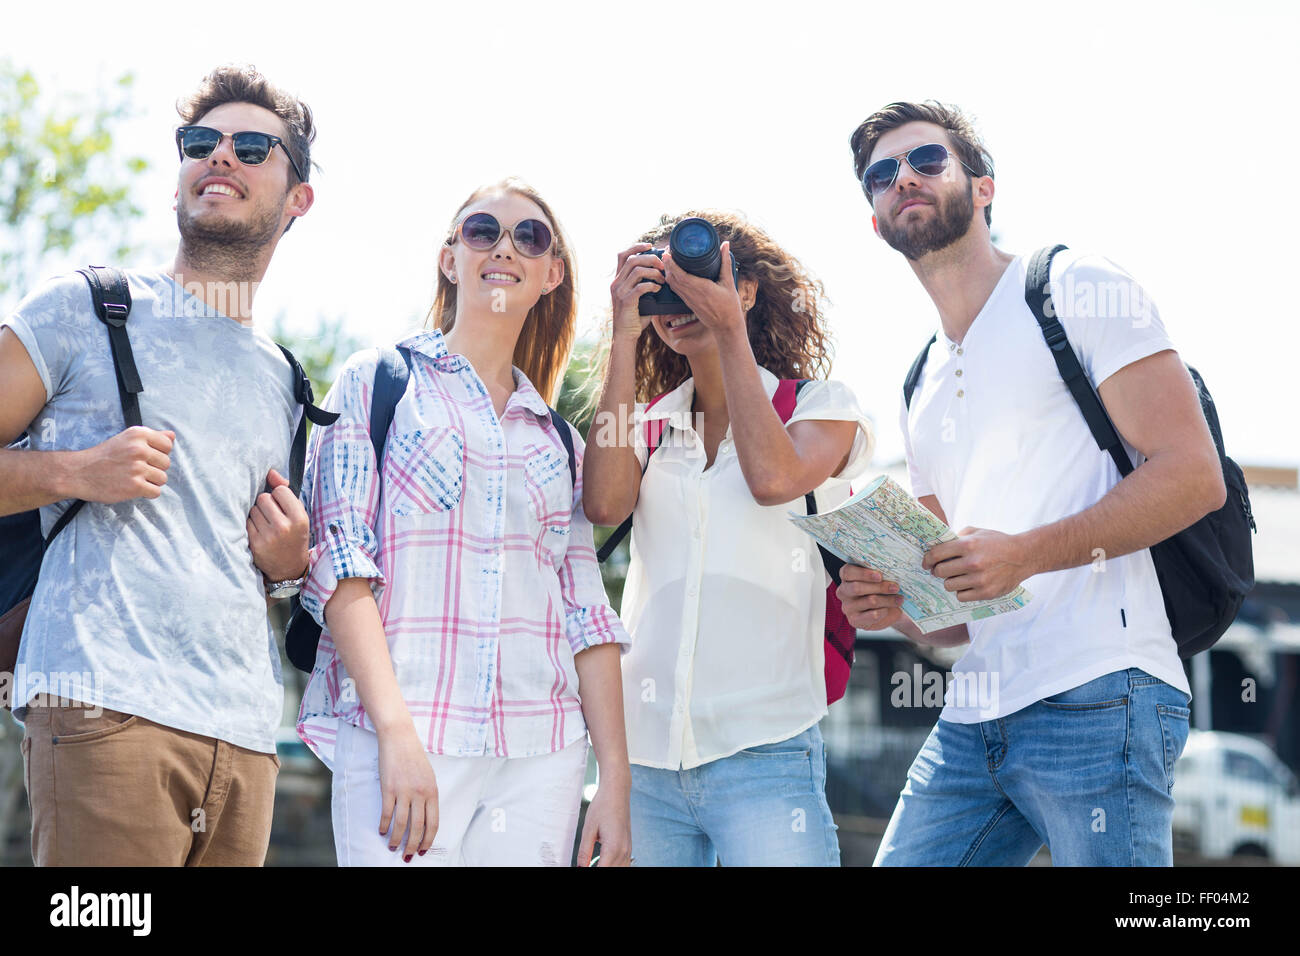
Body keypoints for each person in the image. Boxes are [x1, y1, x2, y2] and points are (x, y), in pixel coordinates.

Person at [838, 100, 1225, 866]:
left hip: (1101, 689)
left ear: (982, 185)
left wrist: (1027, 553)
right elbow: (955, 609)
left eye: (927, 160)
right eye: (882, 175)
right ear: (878, 222)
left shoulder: (1073, 285)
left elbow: (1193, 475)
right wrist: (902, 608)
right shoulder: (919, 381)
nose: (904, 178)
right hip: (975, 711)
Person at [0, 64, 318, 866]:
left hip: (243, 737)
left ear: (297, 199)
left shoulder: (288, 378)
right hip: (102, 708)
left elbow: (259, 560)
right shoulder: (85, 306)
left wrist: (287, 567)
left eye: (252, 147)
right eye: (201, 143)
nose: (221, 158)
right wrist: (75, 471)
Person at [297, 179, 632, 867]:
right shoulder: (376, 383)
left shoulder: (560, 442)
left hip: (544, 755)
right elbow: (339, 565)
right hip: (408, 734)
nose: (504, 247)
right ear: (451, 257)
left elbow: (586, 615)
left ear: (551, 274)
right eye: (482, 231)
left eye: (529, 237)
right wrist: (396, 731)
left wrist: (615, 780)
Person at [583, 210, 875, 866]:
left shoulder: (819, 407)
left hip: (767, 756)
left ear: (745, 291)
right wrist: (625, 334)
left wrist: (726, 330)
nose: (680, 300)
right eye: (665, 288)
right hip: (646, 760)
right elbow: (603, 504)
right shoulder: (651, 424)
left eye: (700, 279)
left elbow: (773, 476)